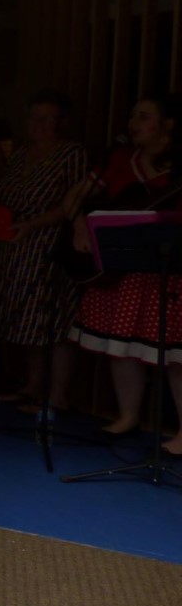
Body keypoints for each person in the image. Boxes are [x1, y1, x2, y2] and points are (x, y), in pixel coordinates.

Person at [69, 93, 182, 450]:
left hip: (169, 274)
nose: (134, 123)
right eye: (133, 116)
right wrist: (80, 226)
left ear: (168, 124)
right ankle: (128, 415)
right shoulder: (119, 160)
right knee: (121, 348)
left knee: (175, 356)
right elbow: (74, 198)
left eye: (144, 116)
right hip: (121, 272)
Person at [0, 90, 85, 411]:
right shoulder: (19, 154)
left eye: (47, 118)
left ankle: (56, 396)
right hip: (16, 246)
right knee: (25, 319)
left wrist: (34, 224)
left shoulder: (71, 154)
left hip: (50, 245)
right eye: (34, 117)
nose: (39, 124)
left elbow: (75, 202)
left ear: (62, 122)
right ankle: (33, 386)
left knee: (54, 320)